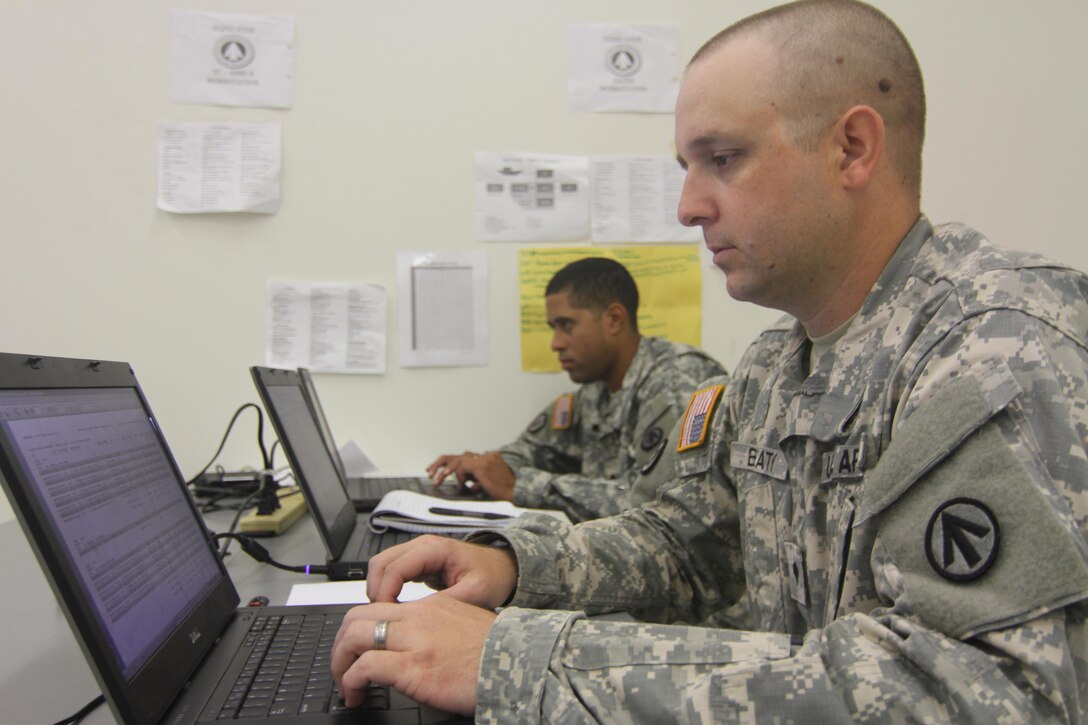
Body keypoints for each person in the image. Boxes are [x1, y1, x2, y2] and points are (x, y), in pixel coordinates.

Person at [330, 1, 1088, 720]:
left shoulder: (995, 348)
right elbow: (692, 548)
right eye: (687, 167)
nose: (689, 205)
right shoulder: (771, 368)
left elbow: (986, 692)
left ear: (852, 148)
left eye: (722, 158)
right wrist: (513, 565)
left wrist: (516, 660)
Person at [426, 256, 727, 523]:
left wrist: (519, 486)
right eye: (553, 328)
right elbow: (532, 450)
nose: (555, 343)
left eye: (566, 325)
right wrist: (486, 466)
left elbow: (658, 503)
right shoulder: (594, 389)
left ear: (614, 320)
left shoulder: (677, 380)